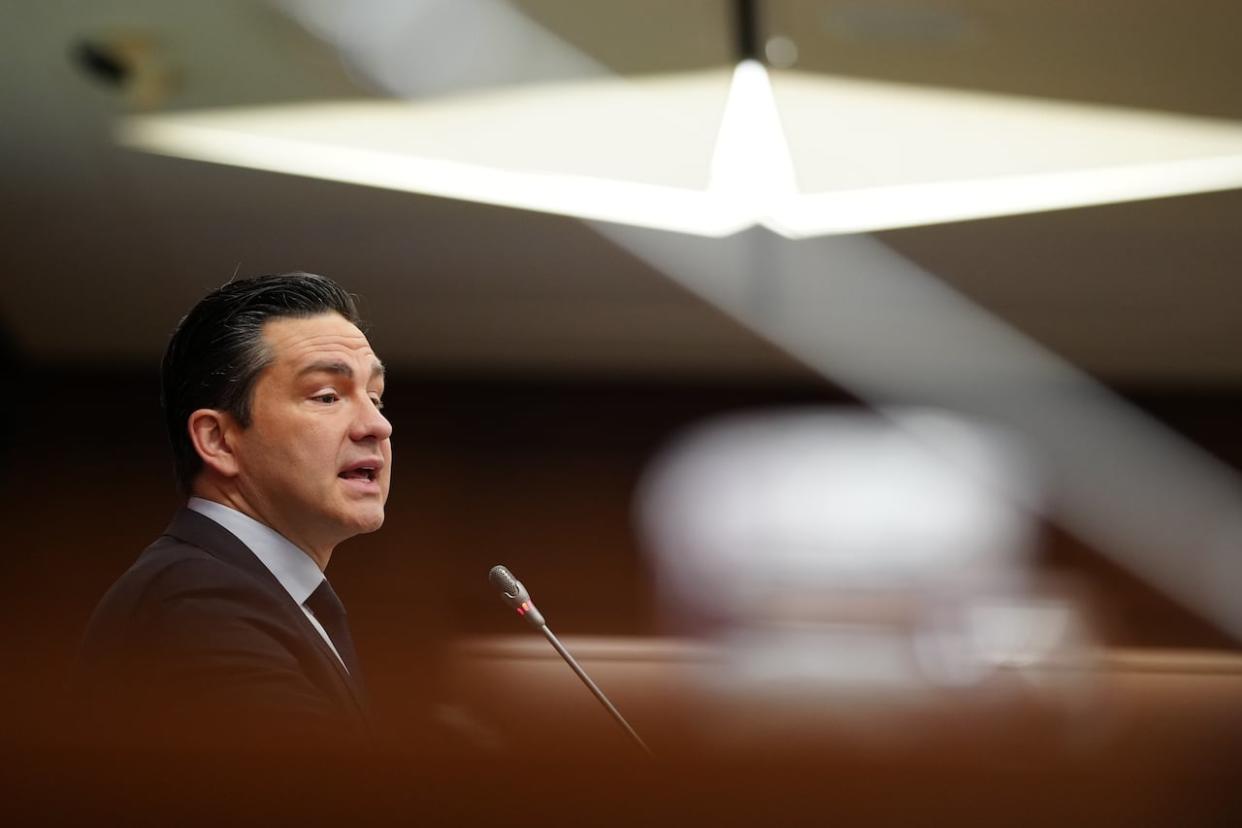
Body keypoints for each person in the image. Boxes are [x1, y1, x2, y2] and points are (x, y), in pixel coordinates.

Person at [75, 272, 393, 753]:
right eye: (327, 396)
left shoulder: (247, 588)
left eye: (374, 397)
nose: (377, 424)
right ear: (218, 440)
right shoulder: (197, 601)